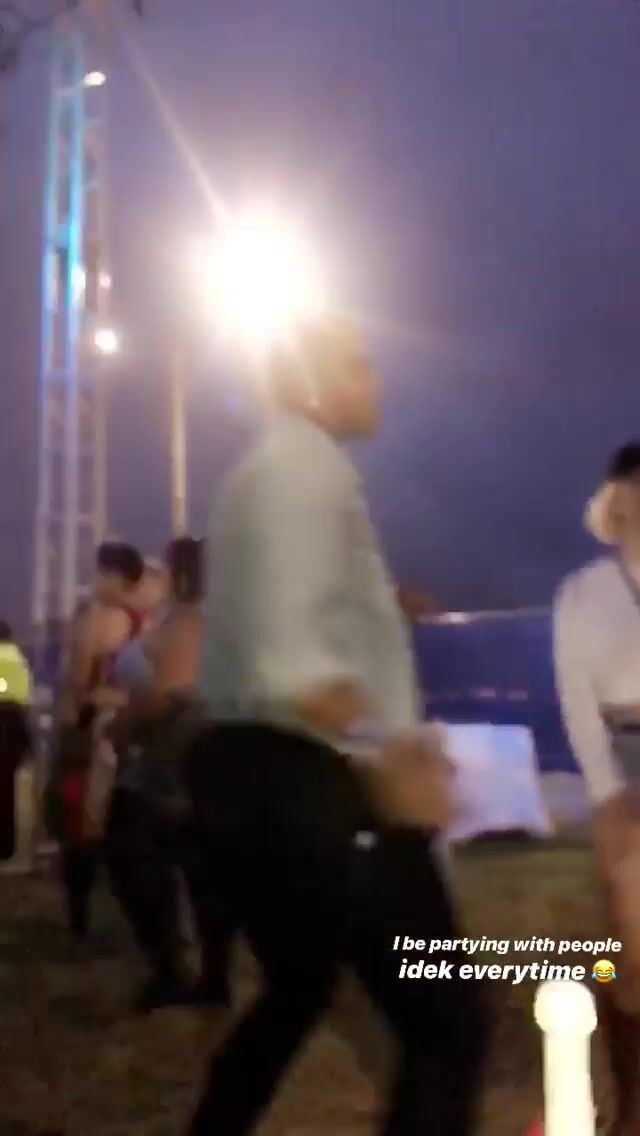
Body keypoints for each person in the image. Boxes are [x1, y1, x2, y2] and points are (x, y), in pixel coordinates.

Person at [185, 316, 487, 1135]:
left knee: (296, 989)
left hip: (248, 777)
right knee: (447, 1020)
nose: (375, 382)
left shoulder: (262, 474)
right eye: (359, 366)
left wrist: (378, 611)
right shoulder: (306, 470)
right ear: (310, 383)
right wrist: (388, 755)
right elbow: (291, 665)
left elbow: (281, 627)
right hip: (310, 782)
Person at [105, 537, 232, 1013]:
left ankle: (173, 973)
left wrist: (123, 724)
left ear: (179, 576)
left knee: (134, 854)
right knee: (203, 872)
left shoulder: (190, 620)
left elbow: (169, 693)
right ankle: (211, 978)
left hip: (173, 763)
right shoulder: (214, 620)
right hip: (202, 763)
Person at [554, 441, 640, 1136]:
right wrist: (608, 792)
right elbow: (577, 701)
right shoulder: (583, 593)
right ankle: (632, 1102)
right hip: (627, 763)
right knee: (624, 950)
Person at [48, 540, 145, 940]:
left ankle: (82, 918)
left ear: (119, 578)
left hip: (88, 733)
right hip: (111, 733)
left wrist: (82, 704)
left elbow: (78, 679)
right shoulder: (135, 621)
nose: (97, 579)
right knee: (98, 826)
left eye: (104, 572)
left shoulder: (100, 617)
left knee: (81, 824)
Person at [0, 621, 32, 861]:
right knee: (6, 787)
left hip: (2, 719)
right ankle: (6, 844)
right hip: (16, 726)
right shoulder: (19, 659)